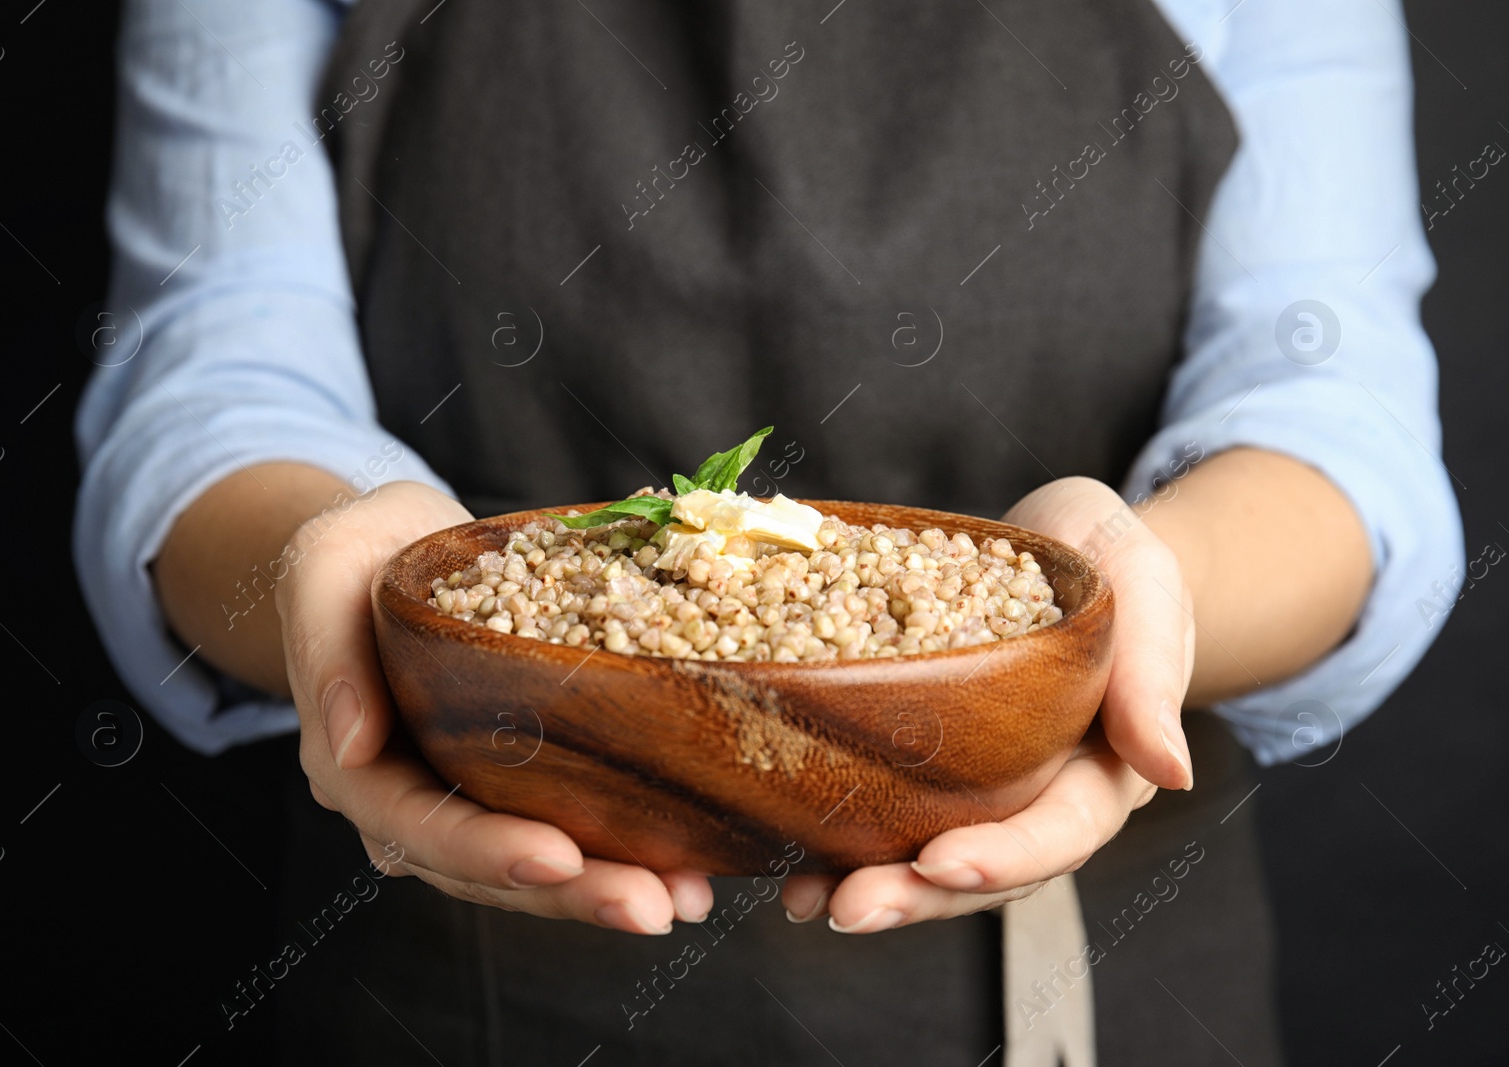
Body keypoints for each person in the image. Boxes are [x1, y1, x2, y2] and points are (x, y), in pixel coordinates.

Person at [76, 0, 1461, 1062]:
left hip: (1096, 994)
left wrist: (1123, 604)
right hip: (456, 983)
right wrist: (355, 580)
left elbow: (1331, 414)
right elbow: (214, 384)